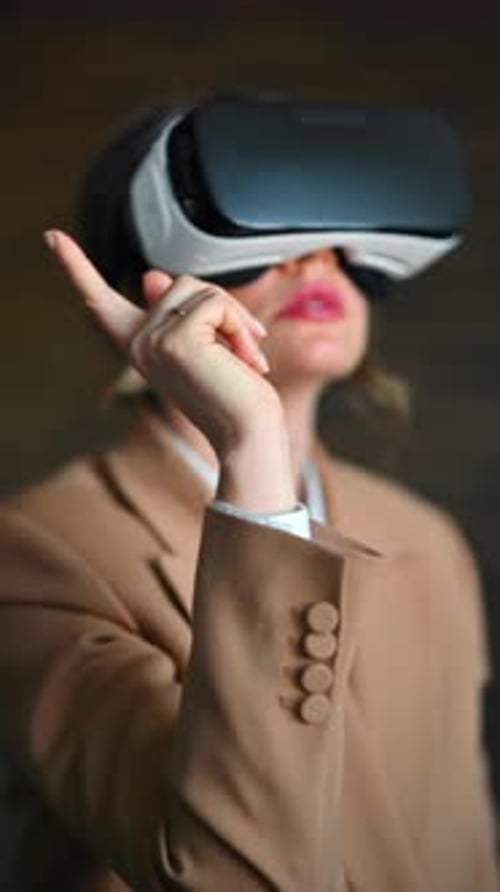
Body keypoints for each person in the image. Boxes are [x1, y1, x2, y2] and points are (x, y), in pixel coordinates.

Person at [0, 96, 497, 892]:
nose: (316, 260)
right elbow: (227, 873)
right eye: (267, 235)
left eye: (338, 240)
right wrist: (253, 451)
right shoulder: (35, 548)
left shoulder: (427, 540)